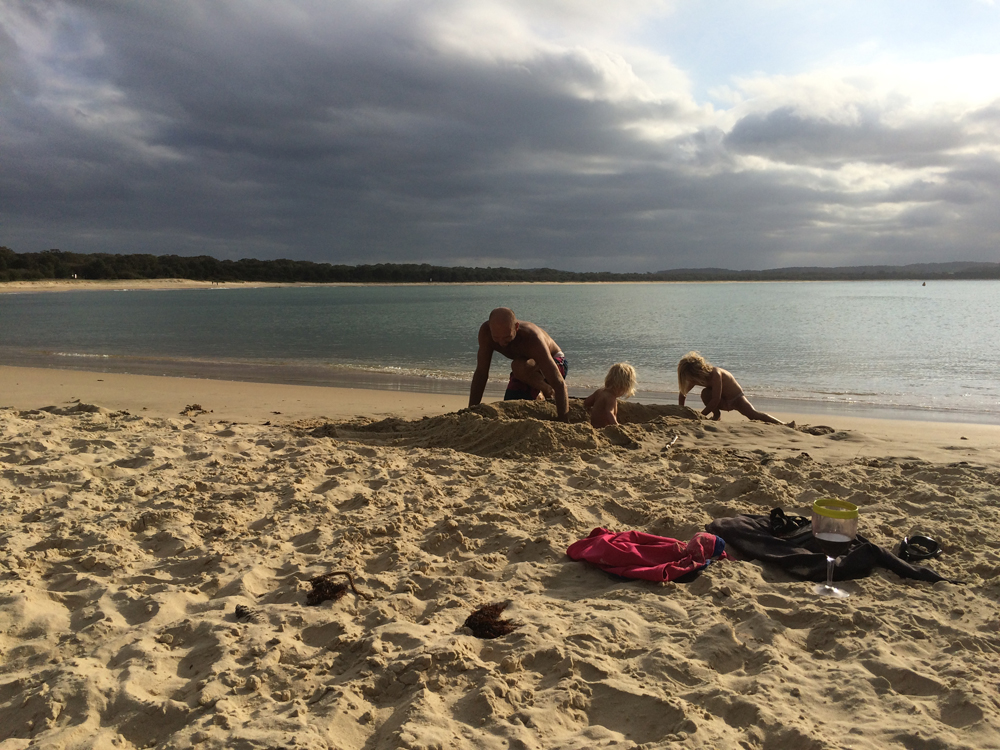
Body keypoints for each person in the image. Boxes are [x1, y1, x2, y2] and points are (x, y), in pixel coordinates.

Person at [469, 307, 569, 421]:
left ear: (516, 327)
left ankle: (547, 390)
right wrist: (472, 409)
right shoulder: (485, 333)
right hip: (524, 369)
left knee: (517, 366)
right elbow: (481, 373)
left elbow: (559, 382)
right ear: (490, 329)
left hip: (555, 361)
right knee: (510, 404)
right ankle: (539, 393)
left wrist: (563, 419)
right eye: (496, 338)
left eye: (507, 337)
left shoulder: (532, 338)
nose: (502, 343)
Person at [677, 351, 792, 426]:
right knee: (705, 393)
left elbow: (715, 399)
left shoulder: (715, 374)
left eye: (691, 378)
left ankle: (783, 424)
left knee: (753, 415)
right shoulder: (695, 379)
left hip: (736, 398)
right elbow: (683, 393)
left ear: (698, 372)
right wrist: (680, 411)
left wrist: (700, 417)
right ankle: (716, 415)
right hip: (723, 400)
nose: (691, 381)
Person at [584, 363, 636, 428]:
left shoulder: (600, 391)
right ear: (622, 386)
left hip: (594, 426)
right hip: (603, 428)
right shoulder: (611, 397)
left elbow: (587, 402)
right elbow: (609, 413)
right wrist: (617, 426)